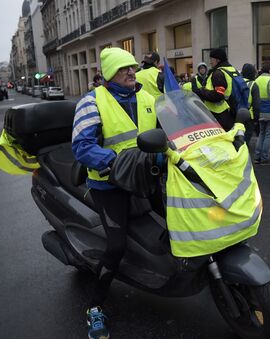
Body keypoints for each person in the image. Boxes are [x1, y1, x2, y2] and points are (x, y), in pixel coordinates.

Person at [71, 47, 157, 338]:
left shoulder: (147, 97)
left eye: (132, 67)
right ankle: (95, 308)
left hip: (145, 177)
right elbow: (82, 147)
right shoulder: (91, 102)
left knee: (188, 211)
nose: (131, 72)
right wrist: (117, 162)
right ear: (109, 75)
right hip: (110, 184)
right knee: (116, 246)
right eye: (123, 69)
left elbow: (169, 130)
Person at [192, 48, 239, 131]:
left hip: (220, 114)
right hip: (233, 110)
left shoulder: (218, 73)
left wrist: (201, 91)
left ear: (217, 59)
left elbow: (218, 95)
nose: (210, 61)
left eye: (211, 59)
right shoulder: (232, 70)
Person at [252, 63, 270, 165]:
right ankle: (265, 158)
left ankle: (257, 157)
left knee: (261, 134)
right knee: (268, 135)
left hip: (260, 112)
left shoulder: (256, 80)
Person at [241, 63, 260, 145]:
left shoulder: (238, 81)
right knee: (246, 138)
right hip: (249, 116)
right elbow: (256, 104)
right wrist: (256, 118)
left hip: (236, 113)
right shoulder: (253, 84)